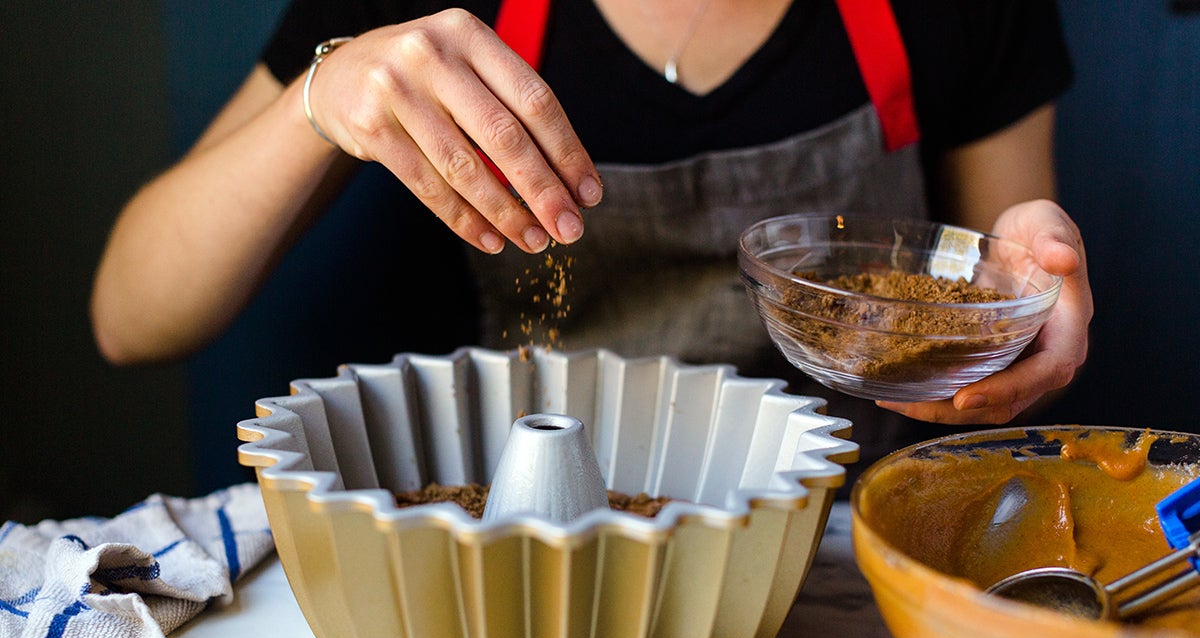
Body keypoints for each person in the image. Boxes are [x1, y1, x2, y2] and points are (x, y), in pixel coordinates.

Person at [91, 0, 1092, 475]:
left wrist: (1030, 281)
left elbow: (1006, 281)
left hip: (851, 552)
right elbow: (132, 315)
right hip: (543, 539)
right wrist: (326, 89)